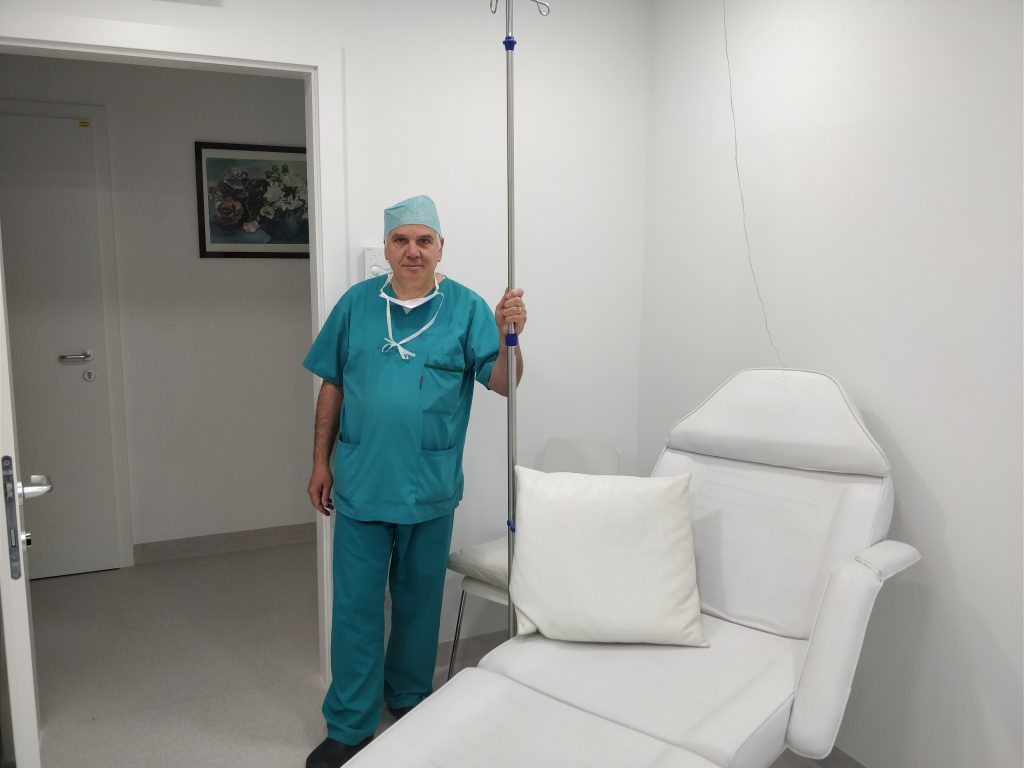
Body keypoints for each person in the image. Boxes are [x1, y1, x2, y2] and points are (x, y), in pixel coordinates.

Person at [302, 195, 527, 768]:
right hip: (361, 483)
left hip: (429, 485)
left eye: (423, 241)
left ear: (440, 248)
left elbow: (504, 383)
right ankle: (349, 724)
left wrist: (510, 336)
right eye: (401, 240)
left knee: (419, 601)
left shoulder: (468, 309)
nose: (412, 251)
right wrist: (320, 462)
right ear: (386, 247)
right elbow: (332, 383)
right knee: (355, 607)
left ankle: (408, 700)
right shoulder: (355, 306)